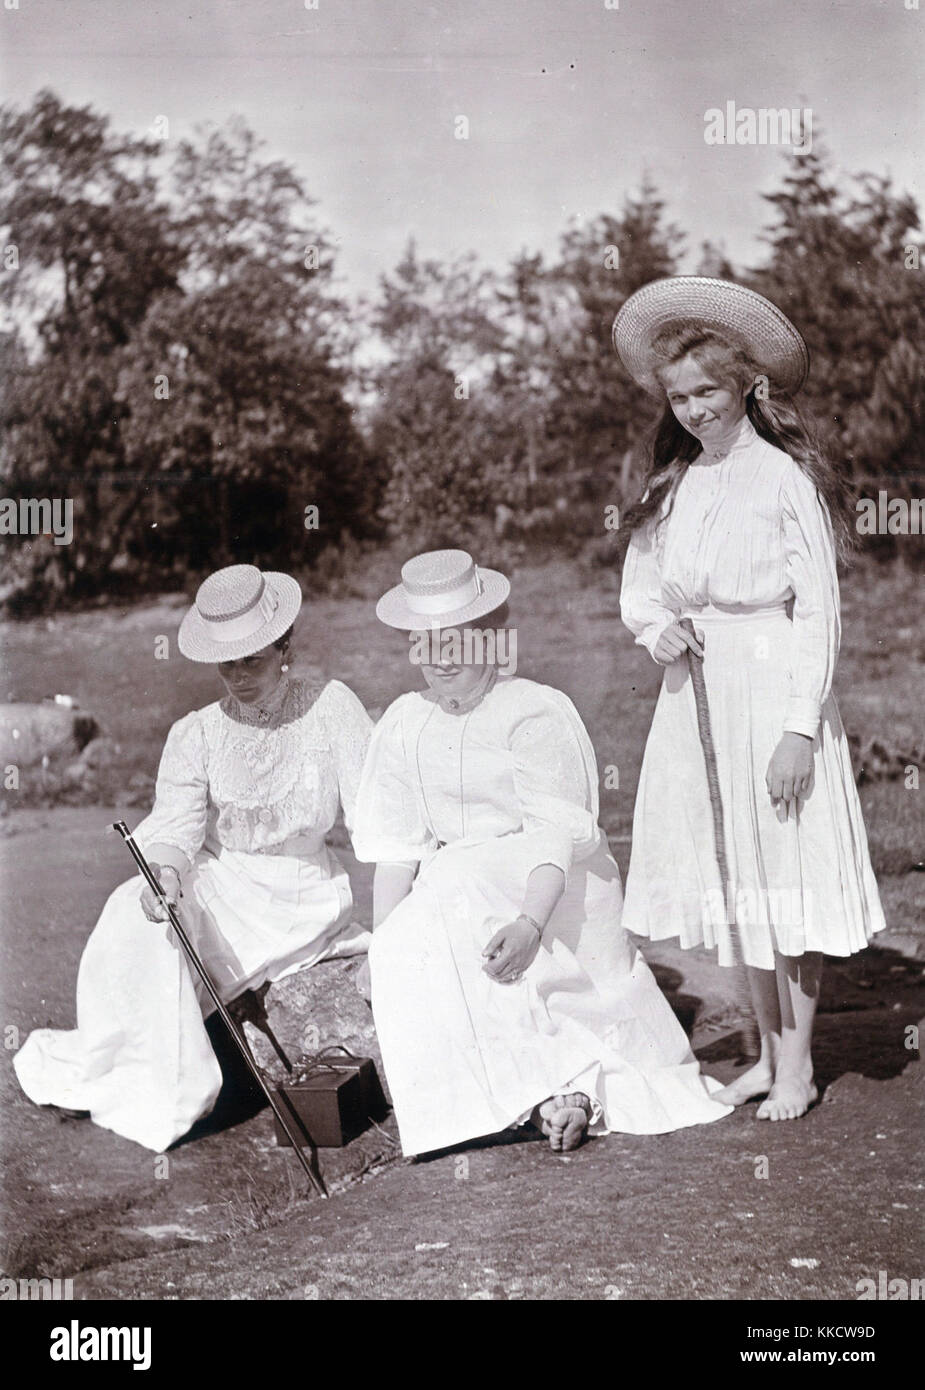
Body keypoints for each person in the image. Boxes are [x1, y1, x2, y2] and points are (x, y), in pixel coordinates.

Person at [351, 548, 731, 1157]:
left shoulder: (531, 709)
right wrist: (385, 949)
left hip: (556, 890)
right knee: (412, 934)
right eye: (423, 643)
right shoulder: (404, 722)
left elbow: (555, 836)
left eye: (455, 640)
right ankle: (547, 1097)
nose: (439, 658)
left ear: (487, 639)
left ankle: (567, 1083)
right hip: (464, 892)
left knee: (453, 882)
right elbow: (397, 852)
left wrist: (529, 925)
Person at [613, 276, 886, 1122]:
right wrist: (656, 629)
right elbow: (643, 586)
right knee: (733, 873)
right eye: (679, 396)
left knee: (784, 872)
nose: (695, 410)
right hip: (695, 692)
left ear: (746, 386)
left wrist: (798, 730)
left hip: (772, 684)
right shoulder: (676, 485)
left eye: (708, 391)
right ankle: (767, 1055)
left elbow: (819, 613)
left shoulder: (781, 480)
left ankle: (799, 1062)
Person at [14, 564, 373, 1151]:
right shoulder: (198, 732)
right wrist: (168, 878)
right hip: (218, 873)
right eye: (225, 664)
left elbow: (373, 816)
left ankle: (180, 1086)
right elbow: (176, 825)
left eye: (251, 660)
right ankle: (138, 1074)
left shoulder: (332, 708)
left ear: (285, 647)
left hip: (299, 892)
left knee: (176, 936)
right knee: (134, 913)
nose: (237, 677)